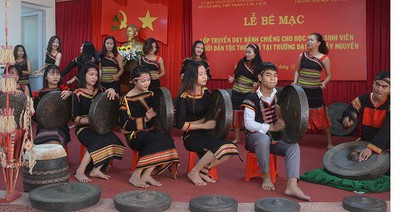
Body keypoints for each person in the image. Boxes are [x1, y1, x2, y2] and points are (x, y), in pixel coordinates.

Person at [242, 62, 311, 201]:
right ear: (260, 78)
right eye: (268, 75)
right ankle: (266, 176)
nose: (273, 78)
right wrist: (270, 127)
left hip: (277, 139)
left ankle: (292, 185)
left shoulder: (282, 96)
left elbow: (291, 115)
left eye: (275, 75)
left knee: (293, 146)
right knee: (263, 139)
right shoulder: (252, 98)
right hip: (255, 140)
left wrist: (300, 123)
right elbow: (248, 124)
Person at [176, 61, 240, 186]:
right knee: (220, 147)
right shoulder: (183, 98)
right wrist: (203, 125)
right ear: (192, 76)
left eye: (205, 73)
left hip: (207, 133)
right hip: (191, 136)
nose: (205, 76)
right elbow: (180, 125)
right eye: (201, 74)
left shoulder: (206, 92)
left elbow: (216, 109)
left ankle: (202, 171)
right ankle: (194, 171)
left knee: (231, 149)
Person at [119, 65, 180, 188]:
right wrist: (145, 119)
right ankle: (135, 176)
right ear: (133, 81)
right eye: (143, 81)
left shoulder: (152, 94)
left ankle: (147, 174)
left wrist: (168, 112)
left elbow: (159, 116)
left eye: (148, 80)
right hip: (134, 135)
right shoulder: (125, 100)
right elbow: (125, 124)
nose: (147, 83)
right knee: (157, 139)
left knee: (167, 138)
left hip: (152, 132)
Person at [72, 62, 125, 182]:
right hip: (84, 128)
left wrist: (111, 89)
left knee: (113, 138)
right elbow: (74, 118)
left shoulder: (100, 90)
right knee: (99, 140)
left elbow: (111, 104)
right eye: (91, 74)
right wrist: (91, 121)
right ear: (83, 75)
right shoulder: (77, 93)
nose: (94, 77)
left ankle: (96, 169)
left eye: (96, 75)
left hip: (100, 127)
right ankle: (80, 171)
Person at [293, 32, 333, 149]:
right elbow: (297, 71)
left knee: (321, 116)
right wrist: (295, 82)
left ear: (318, 43)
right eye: (308, 40)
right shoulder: (302, 55)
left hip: (315, 92)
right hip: (301, 91)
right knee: (300, 115)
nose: (308, 42)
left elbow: (329, 75)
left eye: (311, 40)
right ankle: (296, 139)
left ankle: (330, 141)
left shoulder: (324, 58)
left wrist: (324, 83)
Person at [341, 71, 390, 161]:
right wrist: (347, 119)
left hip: (386, 143)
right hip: (365, 141)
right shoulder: (362, 99)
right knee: (349, 160)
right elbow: (350, 110)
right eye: (377, 84)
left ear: (390, 89)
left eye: (384, 87)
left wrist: (372, 148)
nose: (379, 89)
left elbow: (387, 130)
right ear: (373, 83)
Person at [228, 43, 262, 144]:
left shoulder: (259, 66)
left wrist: (257, 85)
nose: (247, 54)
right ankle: (237, 137)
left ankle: (250, 137)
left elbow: (259, 81)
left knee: (249, 116)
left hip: (249, 93)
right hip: (237, 92)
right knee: (237, 114)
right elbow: (235, 74)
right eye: (246, 52)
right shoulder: (241, 62)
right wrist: (231, 79)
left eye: (249, 52)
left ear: (255, 54)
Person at [32, 64, 72, 147]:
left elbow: (71, 110)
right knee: (45, 141)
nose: (55, 77)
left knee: (54, 141)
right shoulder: (39, 94)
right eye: (52, 74)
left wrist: (70, 94)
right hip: (44, 126)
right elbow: (35, 115)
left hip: (61, 126)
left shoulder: (64, 91)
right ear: (46, 77)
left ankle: (58, 158)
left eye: (58, 74)